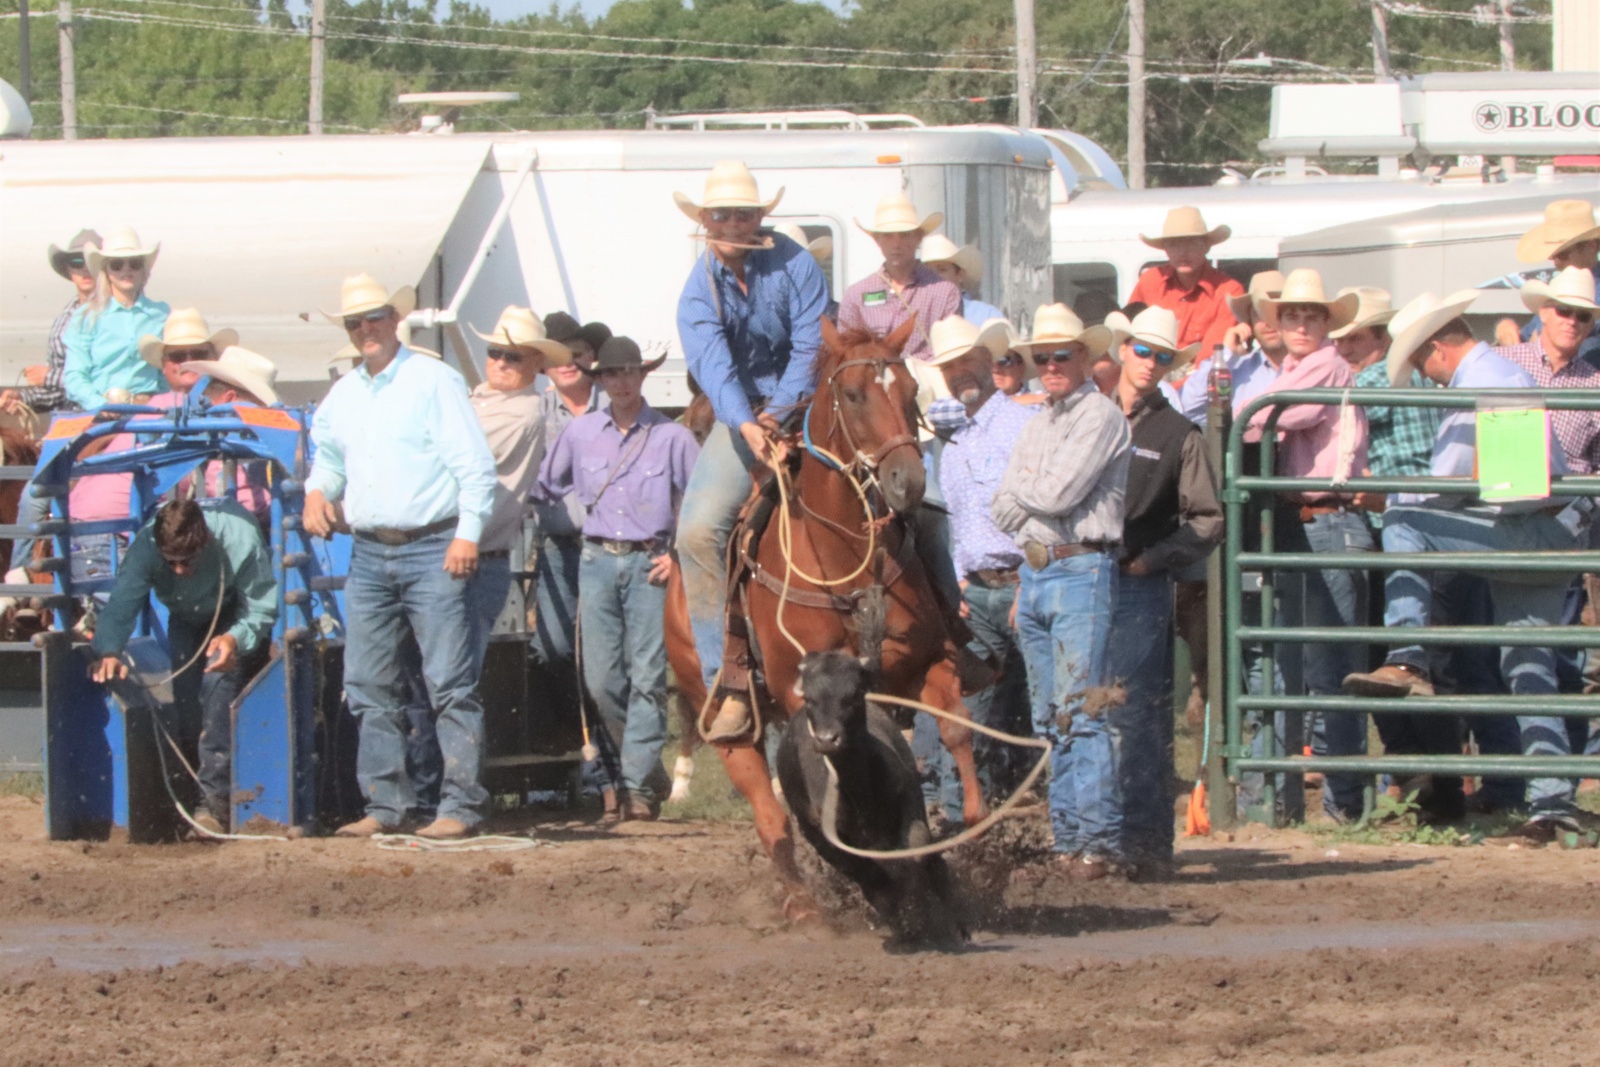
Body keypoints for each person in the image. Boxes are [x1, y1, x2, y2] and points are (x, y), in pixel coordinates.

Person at [1342, 292, 1583, 838]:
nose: (1425, 376)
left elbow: (1447, 489)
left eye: (1422, 363)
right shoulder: (1498, 376)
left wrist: (1406, 500)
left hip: (1528, 531)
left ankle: (1407, 657)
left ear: (1436, 350)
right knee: (1528, 667)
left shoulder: (1484, 383)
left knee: (1405, 512)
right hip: (1549, 528)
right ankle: (1553, 803)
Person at [303, 273, 497, 841]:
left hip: (433, 545)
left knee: (449, 682)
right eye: (355, 322)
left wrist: (468, 533)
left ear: (396, 319)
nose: (366, 329)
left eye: (374, 318)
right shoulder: (345, 394)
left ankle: (458, 805)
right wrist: (318, 490)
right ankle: (386, 805)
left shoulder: (434, 381)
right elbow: (330, 459)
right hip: (371, 550)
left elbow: (473, 466)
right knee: (367, 681)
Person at [672, 160, 829, 742]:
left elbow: (812, 341)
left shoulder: (795, 262)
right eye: (724, 214)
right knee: (696, 532)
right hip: (740, 415)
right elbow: (711, 365)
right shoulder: (698, 288)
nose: (735, 223)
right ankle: (726, 683)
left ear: (761, 217)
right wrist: (747, 424)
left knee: (917, 493)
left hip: (811, 400)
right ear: (706, 221)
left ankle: (947, 639)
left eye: (744, 213)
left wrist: (780, 412)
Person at [406, 307, 563, 821]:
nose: (499, 361)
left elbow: (450, 460)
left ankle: (451, 797)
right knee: (427, 678)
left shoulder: (522, 412)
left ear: (536, 363)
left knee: (449, 680)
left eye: (512, 356)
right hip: (450, 552)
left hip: (471, 557)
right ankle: (430, 792)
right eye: (495, 352)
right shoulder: (481, 400)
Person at [991, 303, 1129, 880]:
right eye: (1040, 357)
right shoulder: (1037, 422)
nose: (1049, 365)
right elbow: (1002, 509)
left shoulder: (1099, 416)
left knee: (1081, 711)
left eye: (1060, 356)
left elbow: (1057, 495)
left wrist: (1024, 490)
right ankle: (1070, 840)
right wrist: (1029, 492)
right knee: (1053, 716)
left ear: (1086, 358)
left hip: (1079, 568)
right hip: (1041, 570)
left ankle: (1095, 843)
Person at [535, 338, 699, 820]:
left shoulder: (674, 437)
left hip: (651, 563)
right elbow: (544, 487)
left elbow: (699, 506)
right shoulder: (580, 434)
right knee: (602, 680)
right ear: (600, 380)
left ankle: (635, 790)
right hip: (596, 561)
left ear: (643, 376)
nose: (623, 381)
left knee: (648, 677)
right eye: (613, 373)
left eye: (631, 371)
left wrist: (680, 557)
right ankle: (645, 772)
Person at [1242, 270, 1371, 822]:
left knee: (1330, 667)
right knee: (1311, 664)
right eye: (1291, 314)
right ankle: (1316, 801)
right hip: (1312, 521)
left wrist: (1247, 414)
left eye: (1310, 315)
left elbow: (1275, 415)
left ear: (1325, 323)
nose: (1299, 323)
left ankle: (1341, 802)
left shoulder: (1321, 367)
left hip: (1329, 520)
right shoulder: (1300, 368)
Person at [1106, 307, 1223, 875]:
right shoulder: (1089, 416)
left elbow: (1206, 520)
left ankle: (1147, 841)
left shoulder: (1180, 434)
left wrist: (1153, 560)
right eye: (1143, 351)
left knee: (1140, 715)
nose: (1150, 364)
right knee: (1086, 713)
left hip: (1136, 583)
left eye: (1161, 356)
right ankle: (1102, 835)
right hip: (1086, 580)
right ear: (1122, 349)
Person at [88, 498, 278, 836]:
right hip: (187, 617)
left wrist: (234, 640)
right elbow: (123, 601)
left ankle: (213, 807)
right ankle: (191, 797)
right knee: (188, 707)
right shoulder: (146, 547)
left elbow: (261, 607)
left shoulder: (241, 539)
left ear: (204, 541)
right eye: (170, 562)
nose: (178, 570)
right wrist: (109, 649)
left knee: (218, 694)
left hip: (237, 613)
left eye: (186, 561)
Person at [919, 315, 1035, 816]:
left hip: (1022, 581)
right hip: (979, 592)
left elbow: (1042, 509)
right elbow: (959, 522)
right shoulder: (954, 446)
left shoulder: (1024, 426)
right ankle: (961, 816)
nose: (959, 373)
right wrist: (961, 580)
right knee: (968, 713)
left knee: (1049, 709)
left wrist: (1031, 577)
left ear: (990, 361)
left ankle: (1063, 822)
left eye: (967, 361)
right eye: (949, 367)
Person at [0, 228, 100, 430]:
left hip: (106, 419)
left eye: (91, 262)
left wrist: (49, 376)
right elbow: (57, 393)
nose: (85, 269)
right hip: (69, 421)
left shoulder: (117, 316)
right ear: (69, 270)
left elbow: (108, 379)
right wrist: (24, 398)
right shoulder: (63, 320)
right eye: (77, 263)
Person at [62, 226, 169, 411]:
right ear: (106, 271)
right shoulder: (87, 317)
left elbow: (168, 371)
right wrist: (100, 405)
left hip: (151, 413)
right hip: (101, 413)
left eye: (134, 263)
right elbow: (75, 375)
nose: (126, 270)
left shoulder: (161, 315)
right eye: (117, 265)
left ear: (144, 270)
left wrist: (163, 403)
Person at [1127, 206, 1245, 354]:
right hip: (1151, 371)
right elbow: (1127, 336)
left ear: (1206, 246)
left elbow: (1212, 354)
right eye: (1174, 244)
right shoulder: (1150, 281)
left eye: (1192, 243)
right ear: (1165, 249)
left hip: (1201, 374)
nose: (1183, 252)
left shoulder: (1228, 291)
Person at [1177, 270, 1287, 427]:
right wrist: (1225, 354)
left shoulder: (1315, 365)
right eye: (1259, 314)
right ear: (1249, 321)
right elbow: (1189, 407)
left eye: (1275, 313)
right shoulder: (1235, 370)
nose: (1267, 323)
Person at [1511, 200, 1600, 363]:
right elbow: (1529, 333)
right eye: (1552, 256)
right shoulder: (1561, 285)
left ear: (1592, 246)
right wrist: (1508, 327)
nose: (1555, 263)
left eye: (1562, 254)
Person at [921, 235, 1004, 326]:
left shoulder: (987, 317)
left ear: (960, 275)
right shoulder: (916, 316)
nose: (933, 276)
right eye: (928, 271)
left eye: (942, 270)